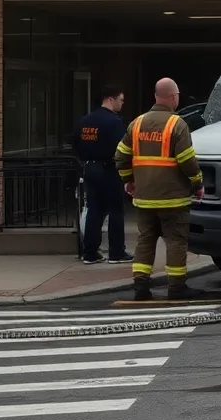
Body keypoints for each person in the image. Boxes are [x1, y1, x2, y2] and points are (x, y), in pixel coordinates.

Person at [114, 78, 205, 301]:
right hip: (173, 199)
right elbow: (186, 160)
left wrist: (130, 180)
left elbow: (120, 156)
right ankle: (176, 287)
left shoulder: (136, 124)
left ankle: (141, 288)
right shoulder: (177, 124)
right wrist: (197, 183)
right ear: (173, 97)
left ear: (155, 97)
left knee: (145, 241)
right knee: (176, 241)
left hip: (144, 199)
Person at [73, 84, 135, 264]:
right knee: (116, 210)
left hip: (89, 169)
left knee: (94, 211)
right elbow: (123, 149)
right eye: (120, 100)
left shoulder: (85, 120)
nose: (122, 104)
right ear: (111, 99)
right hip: (109, 169)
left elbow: (75, 144)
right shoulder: (114, 122)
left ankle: (90, 253)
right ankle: (117, 253)